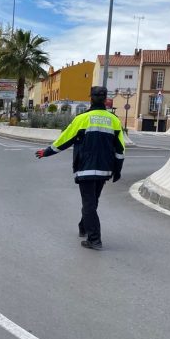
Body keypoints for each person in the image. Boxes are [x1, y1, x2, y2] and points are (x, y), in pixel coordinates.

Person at [35, 86, 124, 250]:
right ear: (105, 99)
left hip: (86, 168)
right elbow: (120, 148)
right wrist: (118, 170)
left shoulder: (82, 119)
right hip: (104, 169)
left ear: (90, 98)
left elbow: (64, 139)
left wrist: (46, 152)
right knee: (92, 202)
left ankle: (95, 240)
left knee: (89, 204)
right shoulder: (114, 120)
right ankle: (84, 227)